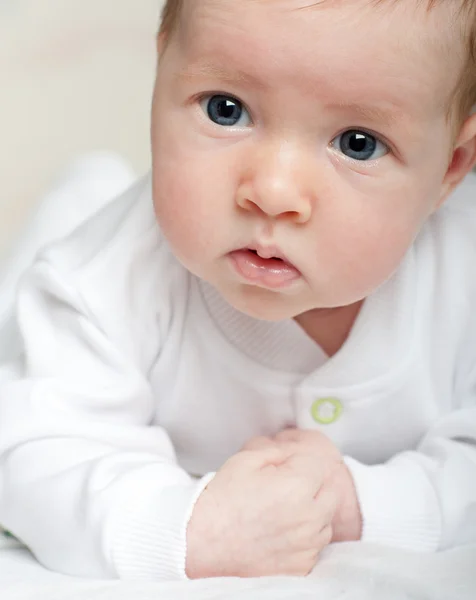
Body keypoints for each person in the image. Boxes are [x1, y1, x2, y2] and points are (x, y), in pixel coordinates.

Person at [1, 0, 476, 582]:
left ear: (451, 168)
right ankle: (81, 193)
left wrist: (360, 503)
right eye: (227, 110)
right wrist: (187, 527)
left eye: (358, 143)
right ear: (161, 74)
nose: (273, 191)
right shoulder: (101, 278)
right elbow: (39, 452)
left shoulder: (463, 274)